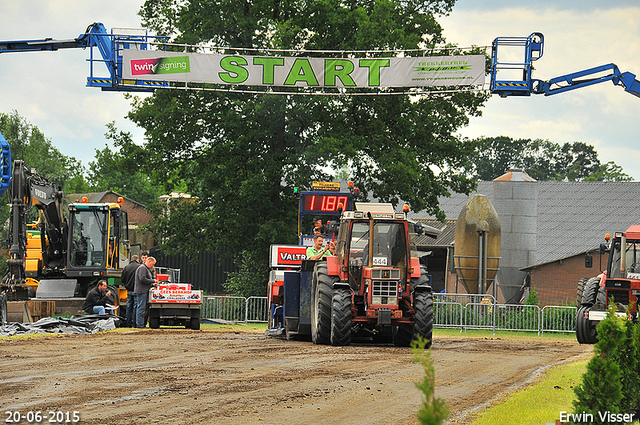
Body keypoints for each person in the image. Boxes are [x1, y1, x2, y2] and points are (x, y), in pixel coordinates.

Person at [134, 256, 158, 328]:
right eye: (153, 264)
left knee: (142, 308)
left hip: (144, 290)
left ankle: (142, 324)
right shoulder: (142, 268)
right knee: (141, 308)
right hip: (141, 291)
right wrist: (153, 281)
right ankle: (140, 325)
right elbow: (142, 279)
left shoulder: (145, 269)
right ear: (149, 262)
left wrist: (152, 284)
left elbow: (145, 280)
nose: (153, 266)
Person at [121, 254, 141, 327]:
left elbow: (122, 279)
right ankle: (135, 323)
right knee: (136, 307)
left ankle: (128, 323)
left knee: (129, 307)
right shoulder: (139, 267)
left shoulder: (126, 267)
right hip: (136, 289)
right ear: (137, 260)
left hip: (129, 290)